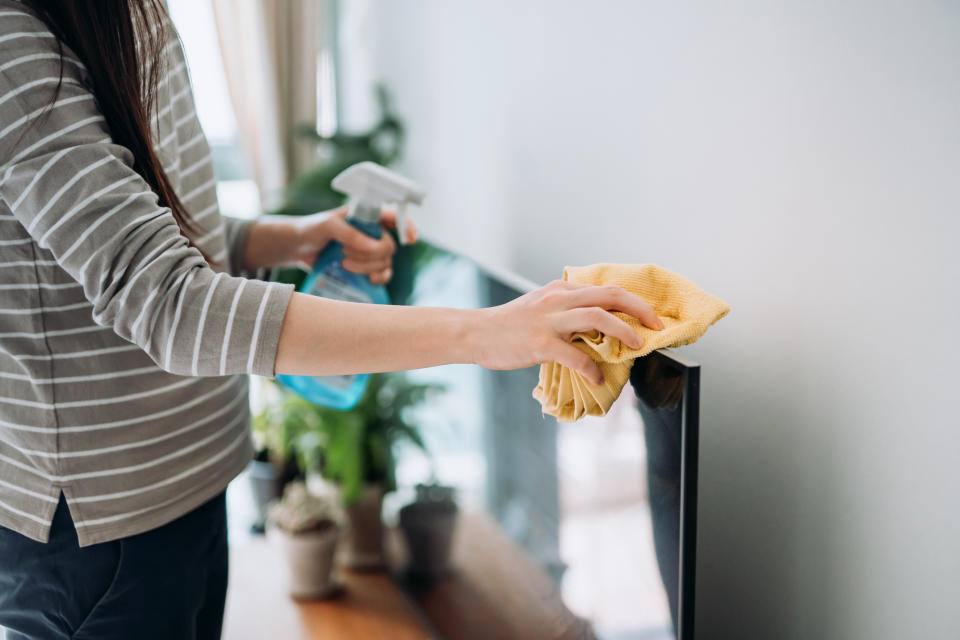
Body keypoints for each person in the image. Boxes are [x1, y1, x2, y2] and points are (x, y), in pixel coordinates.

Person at [0, 1, 663, 638]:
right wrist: (482, 332)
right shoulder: (14, 42)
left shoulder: (133, 11)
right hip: (98, 530)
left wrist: (284, 239)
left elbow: (148, 231)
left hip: (189, 481)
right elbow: (166, 301)